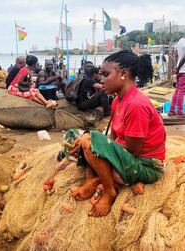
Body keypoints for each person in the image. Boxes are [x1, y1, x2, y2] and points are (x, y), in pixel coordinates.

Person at [65, 50, 165, 217]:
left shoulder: (136, 105)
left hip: (144, 164)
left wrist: (92, 143)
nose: (101, 80)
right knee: (72, 135)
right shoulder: (118, 101)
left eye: (106, 74)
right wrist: (86, 143)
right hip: (127, 156)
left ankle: (110, 191)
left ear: (124, 73)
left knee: (90, 140)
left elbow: (133, 150)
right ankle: (93, 178)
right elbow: (113, 136)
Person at [168, 37, 185, 118]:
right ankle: (180, 112)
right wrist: (178, 69)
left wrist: (176, 67)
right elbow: (184, 58)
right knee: (181, 91)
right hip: (183, 70)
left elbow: (176, 55)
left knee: (177, 91)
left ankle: (171, 110)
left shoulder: (180, 41)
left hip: (180, 70)